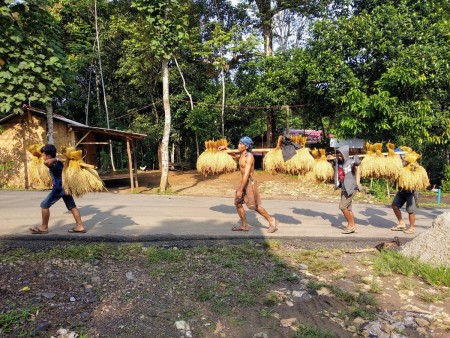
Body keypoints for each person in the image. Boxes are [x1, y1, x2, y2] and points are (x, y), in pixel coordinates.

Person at [219, 136, 278, 233]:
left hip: (249, 183)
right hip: (243, 183)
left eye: (241, 144)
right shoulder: (242, 155)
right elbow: (234, 156)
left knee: (255, 206)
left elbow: (246, 174)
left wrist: (240, 189)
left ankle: (271, 220)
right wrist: (226, 149)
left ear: (246, 147)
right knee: (238, 203)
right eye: (239, 143)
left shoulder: (249, 156)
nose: (239, 145)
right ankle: (244, 225)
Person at [29, 144, 86, 234]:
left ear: (48, 156)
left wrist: (56, 159)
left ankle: (44, 227)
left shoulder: (53, 162)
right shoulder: (59, 162)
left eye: (43, 155)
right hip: (66, 187)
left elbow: (47, 163)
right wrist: (58, 159)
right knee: (72, 206)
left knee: (44, 205)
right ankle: (80, 226)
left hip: (59, 188)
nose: (42, 157)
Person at [334, 145, 360, 234]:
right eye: (338, 155)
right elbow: (334, 161)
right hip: (344, 188)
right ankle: (353, 225)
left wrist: (355, 156)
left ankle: (351, 225)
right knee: (348, 208)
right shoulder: (338, 163)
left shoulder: (350, 162)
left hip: (351, 188)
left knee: (342, 206)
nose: (339, 157)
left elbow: (357, 162)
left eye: (341, 155)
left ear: (345, 154)